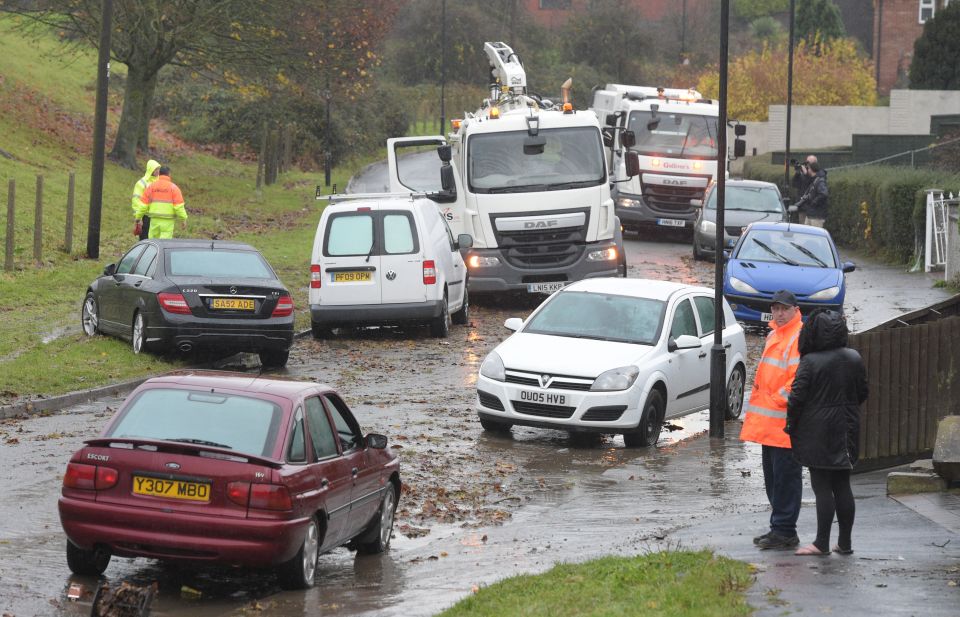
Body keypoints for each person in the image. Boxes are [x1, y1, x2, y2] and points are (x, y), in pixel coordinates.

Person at [786, 309, 868, 556]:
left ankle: (821, 543)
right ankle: (845, 543)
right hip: (847, 428)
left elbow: (796, 399)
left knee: (822, 486)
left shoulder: (810, 361)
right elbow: (862, 392)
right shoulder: (854, 357)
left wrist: (792, 424)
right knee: (843, 484)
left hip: (817, 431)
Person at [740, 289, 804, 550]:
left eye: (784, 309)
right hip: (771, 425)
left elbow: (797, 381)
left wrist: (774, 399)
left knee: (786, 480)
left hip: (785, 425)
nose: (778, 314)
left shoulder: (797, 338)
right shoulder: (774, 335)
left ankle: (785, 531)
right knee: (774, 479)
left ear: (794, 310)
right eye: (775, 309)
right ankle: (779, 528)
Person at [134, 166, 188, 239]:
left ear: (159, 174)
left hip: (154, 220)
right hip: (168, 221)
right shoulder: (174, 188)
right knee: (164, 243)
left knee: (153, 242)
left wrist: (138, 217)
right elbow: (178, 207)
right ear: (169, 174)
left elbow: (143, 205)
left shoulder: (151, 187)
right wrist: (183, 219)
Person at [131, 159, 161, 240]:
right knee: (145, 239)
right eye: (156, 169)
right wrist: (139, 218)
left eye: (158, 169)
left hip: (157, 215)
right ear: (151, 169)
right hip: (146, 216)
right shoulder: (141, 183)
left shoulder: (160, 182)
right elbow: (136, 201)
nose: (158, 171)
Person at [794, 160, 828, 227]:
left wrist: (813, 202)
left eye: (808, 168)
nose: (807, 169)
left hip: (817, 216)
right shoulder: (814, 179)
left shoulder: (819, 181)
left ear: (812, 169)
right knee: (805, 233)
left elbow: (824, 194)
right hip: (810, 214)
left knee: (815, 235)